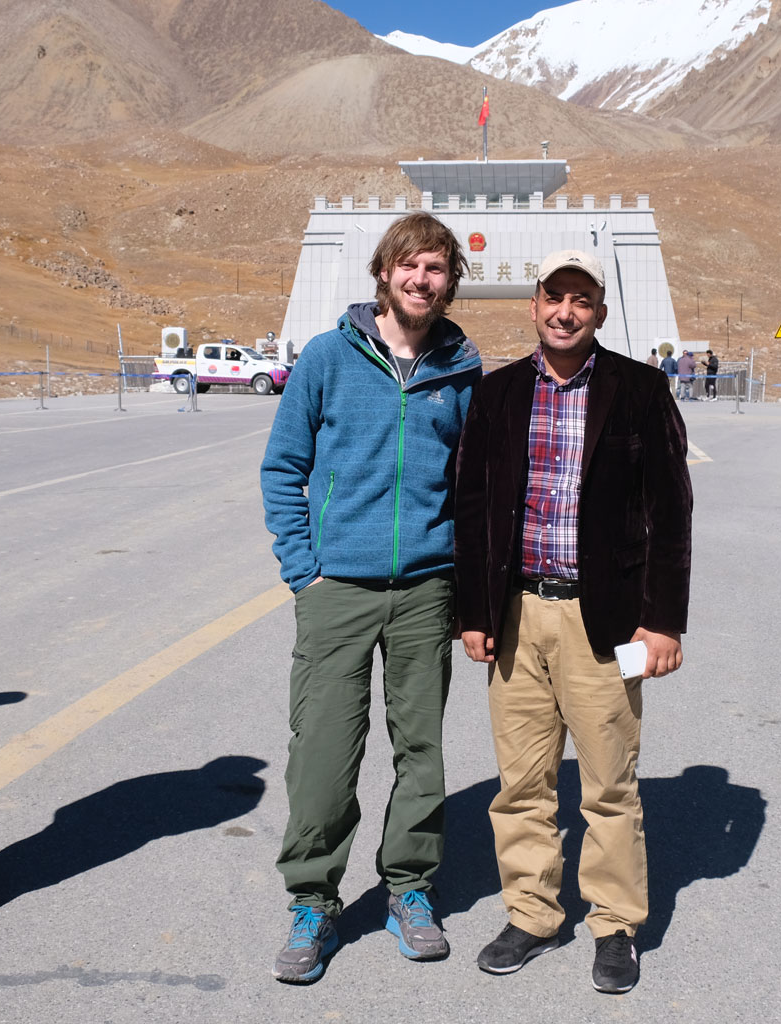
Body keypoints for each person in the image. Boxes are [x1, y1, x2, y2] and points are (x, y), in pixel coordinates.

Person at [453, 250, 693, 995]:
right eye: (553, 297)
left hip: (609, 624)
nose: (565, 311)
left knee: (609, 785)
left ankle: (615, 923)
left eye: (581, 300)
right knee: (521, 784)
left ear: (600, 312)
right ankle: (531, 913)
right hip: (517, 615)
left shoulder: (641, 390)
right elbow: (473, 509)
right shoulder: (497, 396)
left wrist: (662, 624)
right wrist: (473, 613)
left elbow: (670, 512)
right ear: (533, 306)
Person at [259, 212, 483, 983]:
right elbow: (282, 468)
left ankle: (410, 890)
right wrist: (304, 570)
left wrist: (464, 584)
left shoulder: (461, 371)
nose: (423, 280)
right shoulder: (328, 357)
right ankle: (313, 899)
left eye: (437, 269)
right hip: (337, 592)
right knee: (322, 752)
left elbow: (472, 486)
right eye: (410, 266)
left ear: (452, 281)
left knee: (421, 752)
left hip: (427, 588)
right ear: (383, 273)